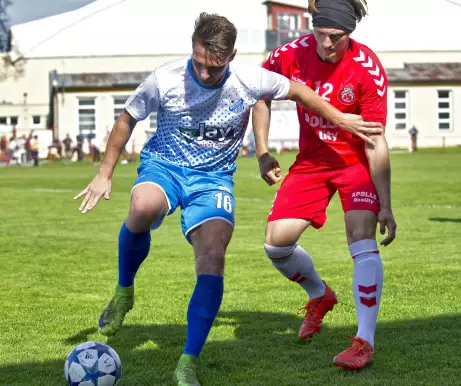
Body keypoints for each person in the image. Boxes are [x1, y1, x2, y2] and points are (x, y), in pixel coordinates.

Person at [74, 12, 382, 386]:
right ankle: (124, 292)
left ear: (232, 56)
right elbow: (127, 119)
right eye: (201, 64)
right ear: (194, 49)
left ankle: (188, 361)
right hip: (165, 167)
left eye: (215, 68)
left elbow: (298, 91)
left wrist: (342, 120)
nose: (206, 75)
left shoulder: (249, 78)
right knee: (142, 208)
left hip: (214, 179)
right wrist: (105, 172)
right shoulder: (165, 78)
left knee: (214, 256)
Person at [252, 0, 396, 371]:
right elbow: (260, 94)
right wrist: (263, 150)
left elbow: (375, 140)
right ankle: (320, 295)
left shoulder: (367, 70)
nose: (327, 43)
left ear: (350, 33)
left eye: (336, 36)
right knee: (275, 243)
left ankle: (364, 340)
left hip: (354, 164)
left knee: (360, 236)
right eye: (321, 33)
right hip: (312, 162)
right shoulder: (291, 54)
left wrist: (386, 204)